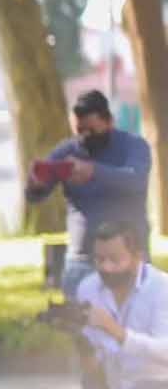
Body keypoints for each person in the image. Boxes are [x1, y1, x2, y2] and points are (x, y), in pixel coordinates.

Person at [28, 90, 153, 297]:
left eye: (91, 130)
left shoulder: (134, 146)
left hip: (130, 258)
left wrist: (93, 171)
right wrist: (35, 184)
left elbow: (135, 180)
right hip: (83, 260)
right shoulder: (67, 152)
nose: (85, 136)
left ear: (109, 122)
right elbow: (35, 195)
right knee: (80, 325)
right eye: (79, 130)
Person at [69, 220, 168, 389]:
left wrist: (116, 331)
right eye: (99, 259)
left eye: (114, 259)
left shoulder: (162, 289)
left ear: (138, 257)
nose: (105, 268)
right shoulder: (88, 288)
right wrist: (80, 343)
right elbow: (94, 362)